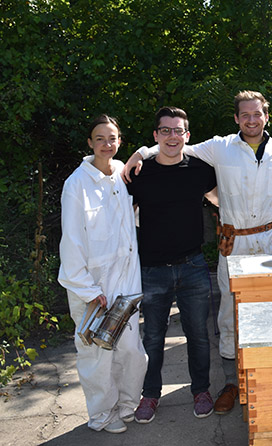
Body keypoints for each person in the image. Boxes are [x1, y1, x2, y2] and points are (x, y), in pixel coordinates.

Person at [123, 91, 272, 415]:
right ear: (236, 119)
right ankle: (232, 384)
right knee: (229, 317)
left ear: (266, 116)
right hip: (235, 243)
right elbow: (177, 147)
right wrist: (140, 152)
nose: (251, 119)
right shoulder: (220, 147)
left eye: (257, 114)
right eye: (244, 114)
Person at [125, 106, 217, 423]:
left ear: (187, 136)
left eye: (178, 131)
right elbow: (119, 215)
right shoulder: (140, 174)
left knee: (199, 336)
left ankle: (201, 391)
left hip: (192, 266)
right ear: (155, 136)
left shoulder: (200, 170)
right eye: (166, 130)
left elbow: (224, 200)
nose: (172, 136)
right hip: (152, 270)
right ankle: (149, 396)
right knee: (152, 338)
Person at [58, 115, 147, 434]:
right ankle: (102, 414)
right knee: (96, 356)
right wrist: (86, 289)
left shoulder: (123, 176)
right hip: (92, 286)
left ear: (120, 141)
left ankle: (126, 403)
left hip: (126, 282)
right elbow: (71, 241)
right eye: (100, 138)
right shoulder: (76, 184)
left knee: (131, 350)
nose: (106, 144)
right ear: (89, 143)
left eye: (112, 138)